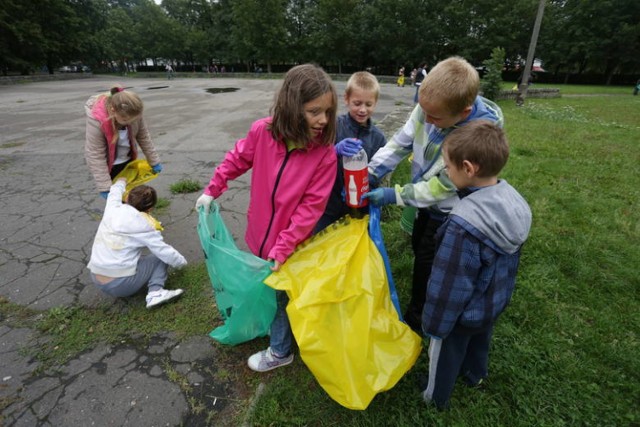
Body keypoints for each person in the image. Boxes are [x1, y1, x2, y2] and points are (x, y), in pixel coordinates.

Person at [194, 64, 338, 372]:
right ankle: (284, 333)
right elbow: (238, 158)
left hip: (292, 245)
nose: (323, 120)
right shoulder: (263, 131)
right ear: (291, 106)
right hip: (260, 236)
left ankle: (280, 350)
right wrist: (212, 190)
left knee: (282, 296)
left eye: (327, 112)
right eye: (314, 111)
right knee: (272, 291)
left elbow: (310, 209)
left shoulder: (324, 154)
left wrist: (283, 247)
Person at [363, 56, 504, 332]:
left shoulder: (474, 138)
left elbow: (442, 186)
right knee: (420, 245)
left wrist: (394, 195)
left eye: (434, 117)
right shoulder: (430, 107)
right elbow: (401, 142)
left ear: (463, 113)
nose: (426, 119)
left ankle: (420, 319)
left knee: (430, 264)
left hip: (451, 212)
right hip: (423, 203)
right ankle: (429, 293)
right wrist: (372, 171)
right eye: (422, 109)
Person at [420, 120, 532, 409]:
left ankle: (435, 398)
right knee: (480, 337)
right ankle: (474, 374)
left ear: (468, 169)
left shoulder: (462, 225)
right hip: (491, 303)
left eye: (447, 166)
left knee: (447, 351)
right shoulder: (512, 199)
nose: (445, 170)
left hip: (460, 315)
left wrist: (435, 326)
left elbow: (449, 285)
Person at [87, 178, 187, 308]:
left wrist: (121, 182)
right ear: (150, 209)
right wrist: (182, 264)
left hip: (96, 276)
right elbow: (164, 252)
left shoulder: (112, 207)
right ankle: (155, 293)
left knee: (135, 255)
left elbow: (114, 192)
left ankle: (135, 281)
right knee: (159, 258)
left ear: (127, 197)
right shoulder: (145, 225)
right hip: (120, 285)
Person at [314, 71, 387, 233]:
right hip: (328, 203)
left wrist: (366, 187)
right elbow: (313, 160)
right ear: (346, 99)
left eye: (368, 104)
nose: (362, 110)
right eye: (357, 103)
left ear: (375, 103)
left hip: (359, 208)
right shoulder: (332, 127)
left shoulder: (378, 139)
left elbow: (379, 173)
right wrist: (334, 151)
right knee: (320, 242)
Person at [85, 86, 162, 199]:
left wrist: (154, 161)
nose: (130, 123)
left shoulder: (134, 113)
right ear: (113, 111)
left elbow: (144, 137)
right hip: (110, 167)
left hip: (128, 161)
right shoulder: (97, 121)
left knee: (132, 196)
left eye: (134, 120)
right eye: (126, 120)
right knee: (117, 200)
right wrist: (105, 187)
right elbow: (95, 154)